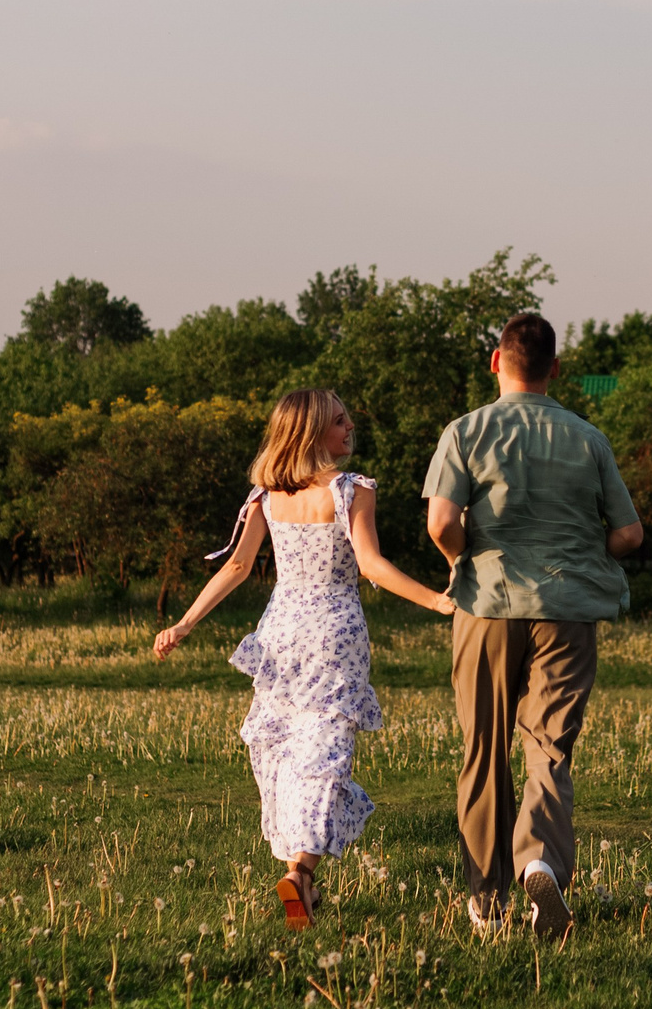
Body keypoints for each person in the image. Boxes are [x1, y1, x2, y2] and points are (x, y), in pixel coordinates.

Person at [155, 388, 453, 930]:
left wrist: (184, 622)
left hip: (281, 632)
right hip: (334, 633)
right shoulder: (350, 491)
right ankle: (301, 870)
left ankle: (302, 878)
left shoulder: (266, 494)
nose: (350, 429)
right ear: (312, 431)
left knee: (287, 746)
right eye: (340, 421)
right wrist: (436, 599)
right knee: (326, 748)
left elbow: (237, 568)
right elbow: (371, 566)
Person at [424, 313, 643, 939]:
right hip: (569, 609)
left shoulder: (467, 431)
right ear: (556, 369)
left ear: (496, 362)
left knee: (483, 750)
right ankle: (540, 860)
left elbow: (441, 524)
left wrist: (458, 560)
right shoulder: (588, 437)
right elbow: (630, 533)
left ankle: (487, 905)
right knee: (548, 746)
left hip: (488, 605)